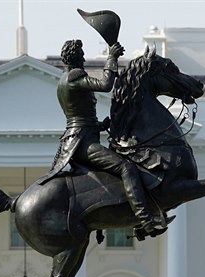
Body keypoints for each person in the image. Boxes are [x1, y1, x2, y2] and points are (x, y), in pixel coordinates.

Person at [36, 38, 168, 240]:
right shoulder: (74, 76)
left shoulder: (63, 81)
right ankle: (144, 220)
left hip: (79, 138)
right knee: (126, 167)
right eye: (81, 55)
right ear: (76, 58)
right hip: (83, 144)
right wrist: (111, 58)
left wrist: (101, 125)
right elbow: (106, 85)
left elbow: (78, 118)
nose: (83, 58)